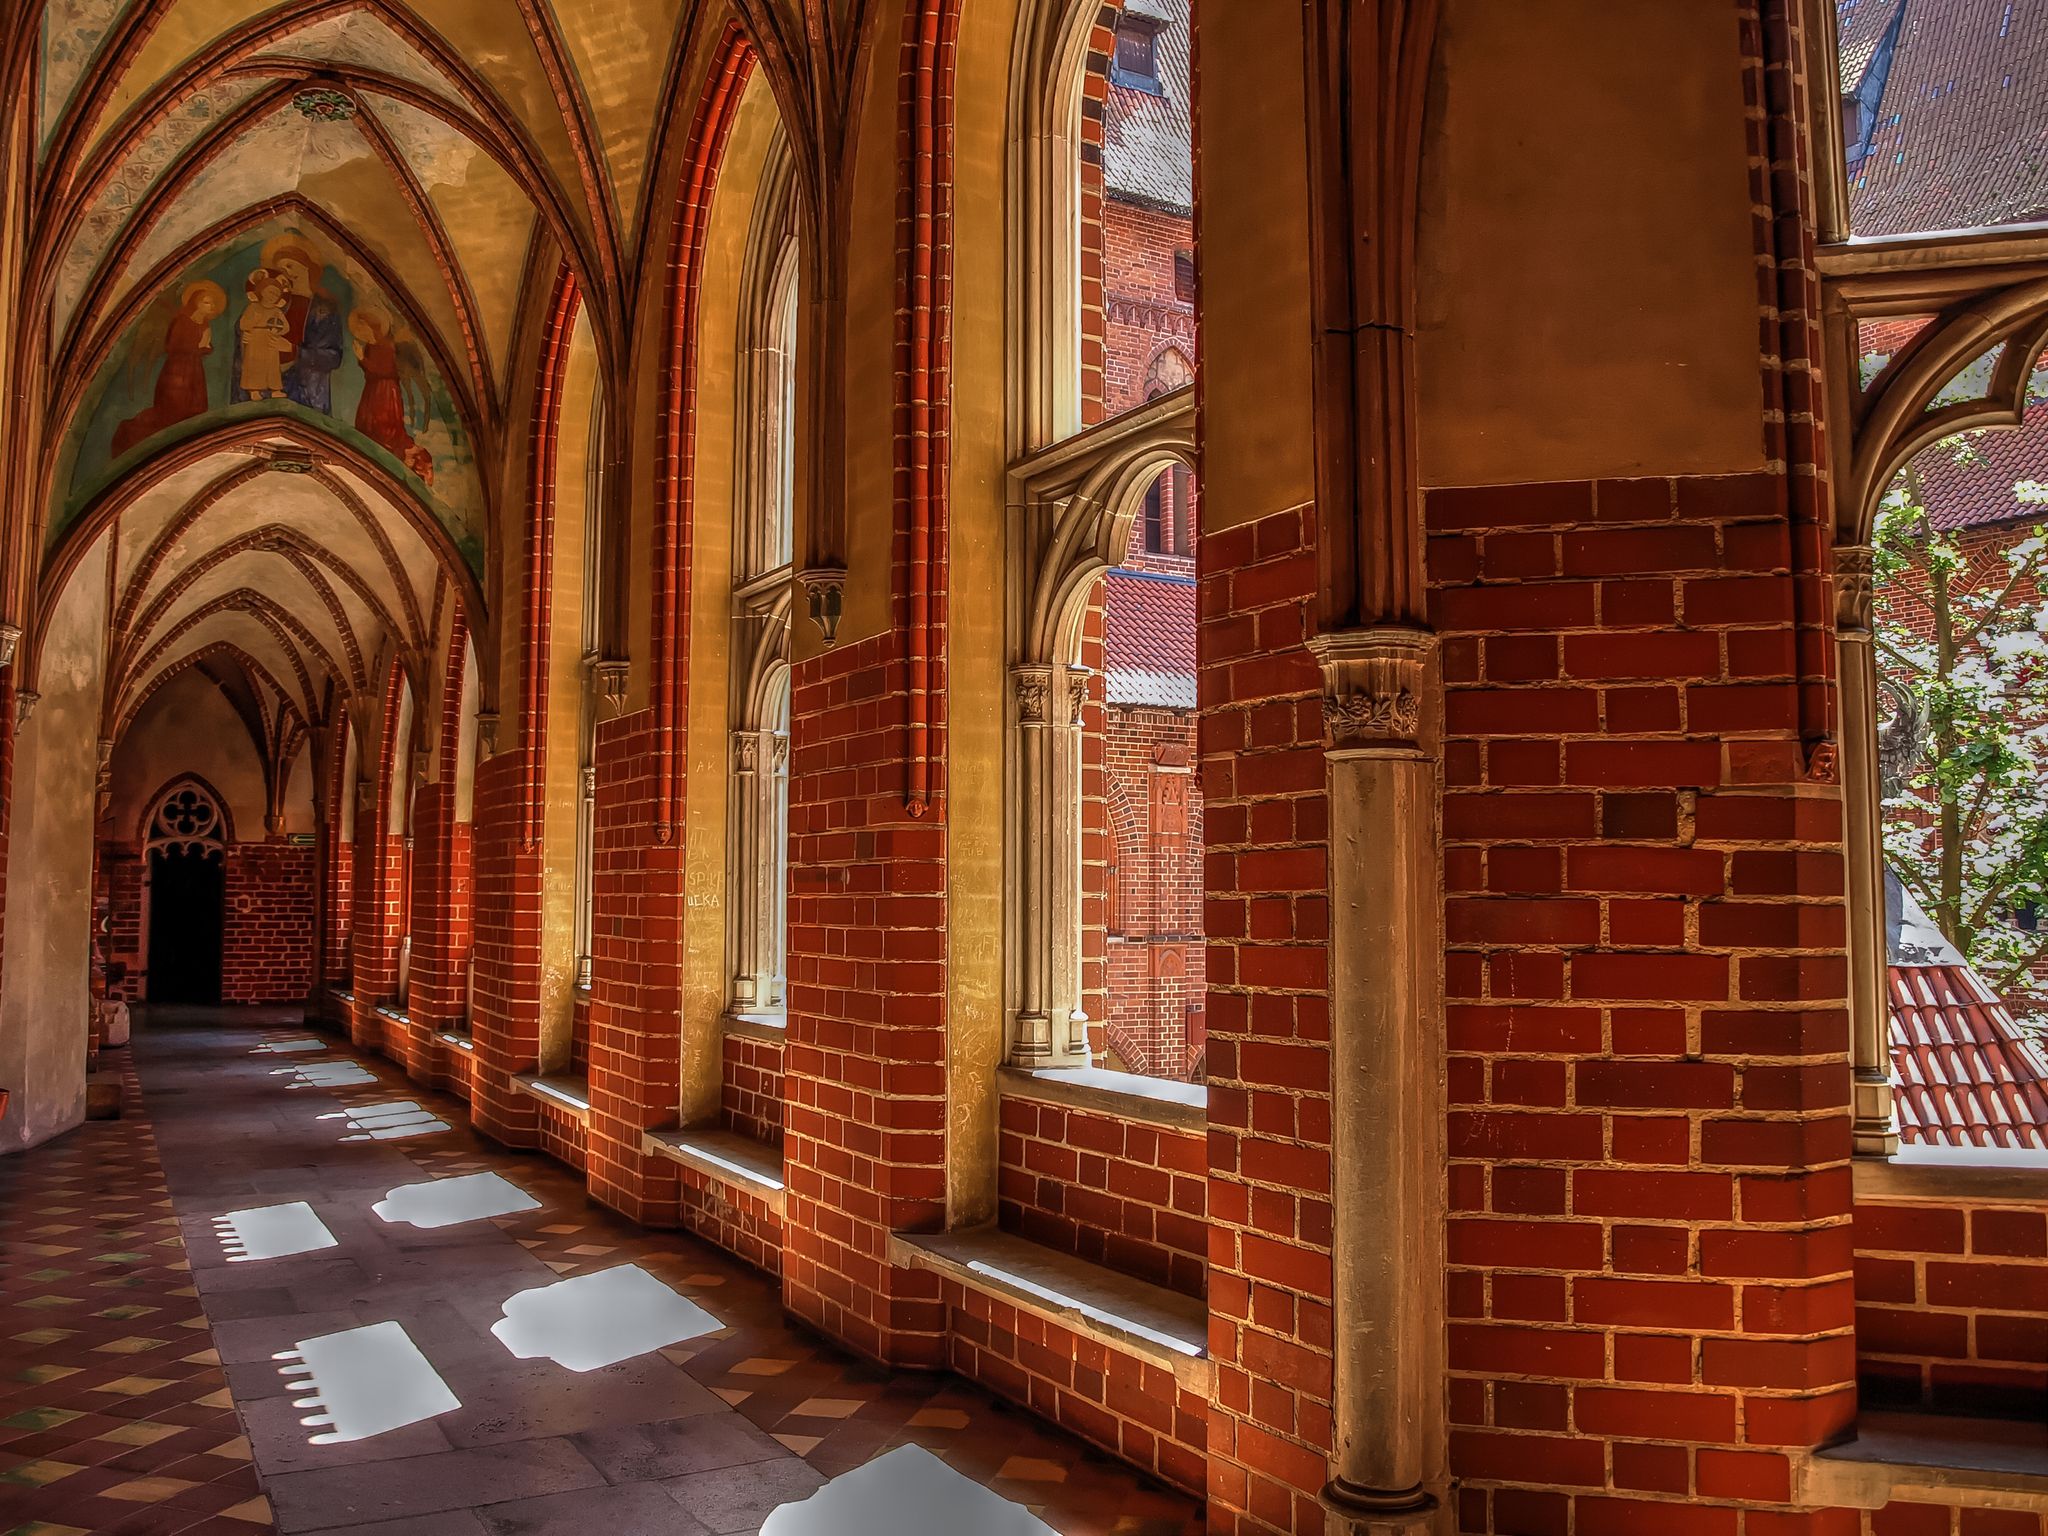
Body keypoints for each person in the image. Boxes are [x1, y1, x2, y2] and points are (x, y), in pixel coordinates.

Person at [111, 280, 225, 457]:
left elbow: (206, 347)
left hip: (194, 368)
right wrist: (200, 346)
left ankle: (187, 437)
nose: (210, 307)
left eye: (212, 304)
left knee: (195, 402)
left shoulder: (205, 324)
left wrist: (205, 346)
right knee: (174, 403)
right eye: (206, 302)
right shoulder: (182, 320)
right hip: (177, 368)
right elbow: (172, 346)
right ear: (196, 302)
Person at [237, 268, 294, 400]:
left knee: (272, 366)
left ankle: (275, 390)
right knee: (254, 365)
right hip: (255, 340)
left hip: (270, 340)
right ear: (261, 291)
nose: (272, 296)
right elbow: (243, 324)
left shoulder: (276, 311)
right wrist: (253, 321)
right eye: (270, 292)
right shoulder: (253, 307)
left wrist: (277, 331)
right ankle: (254, 391)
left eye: (276, 294)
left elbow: (286, 327)